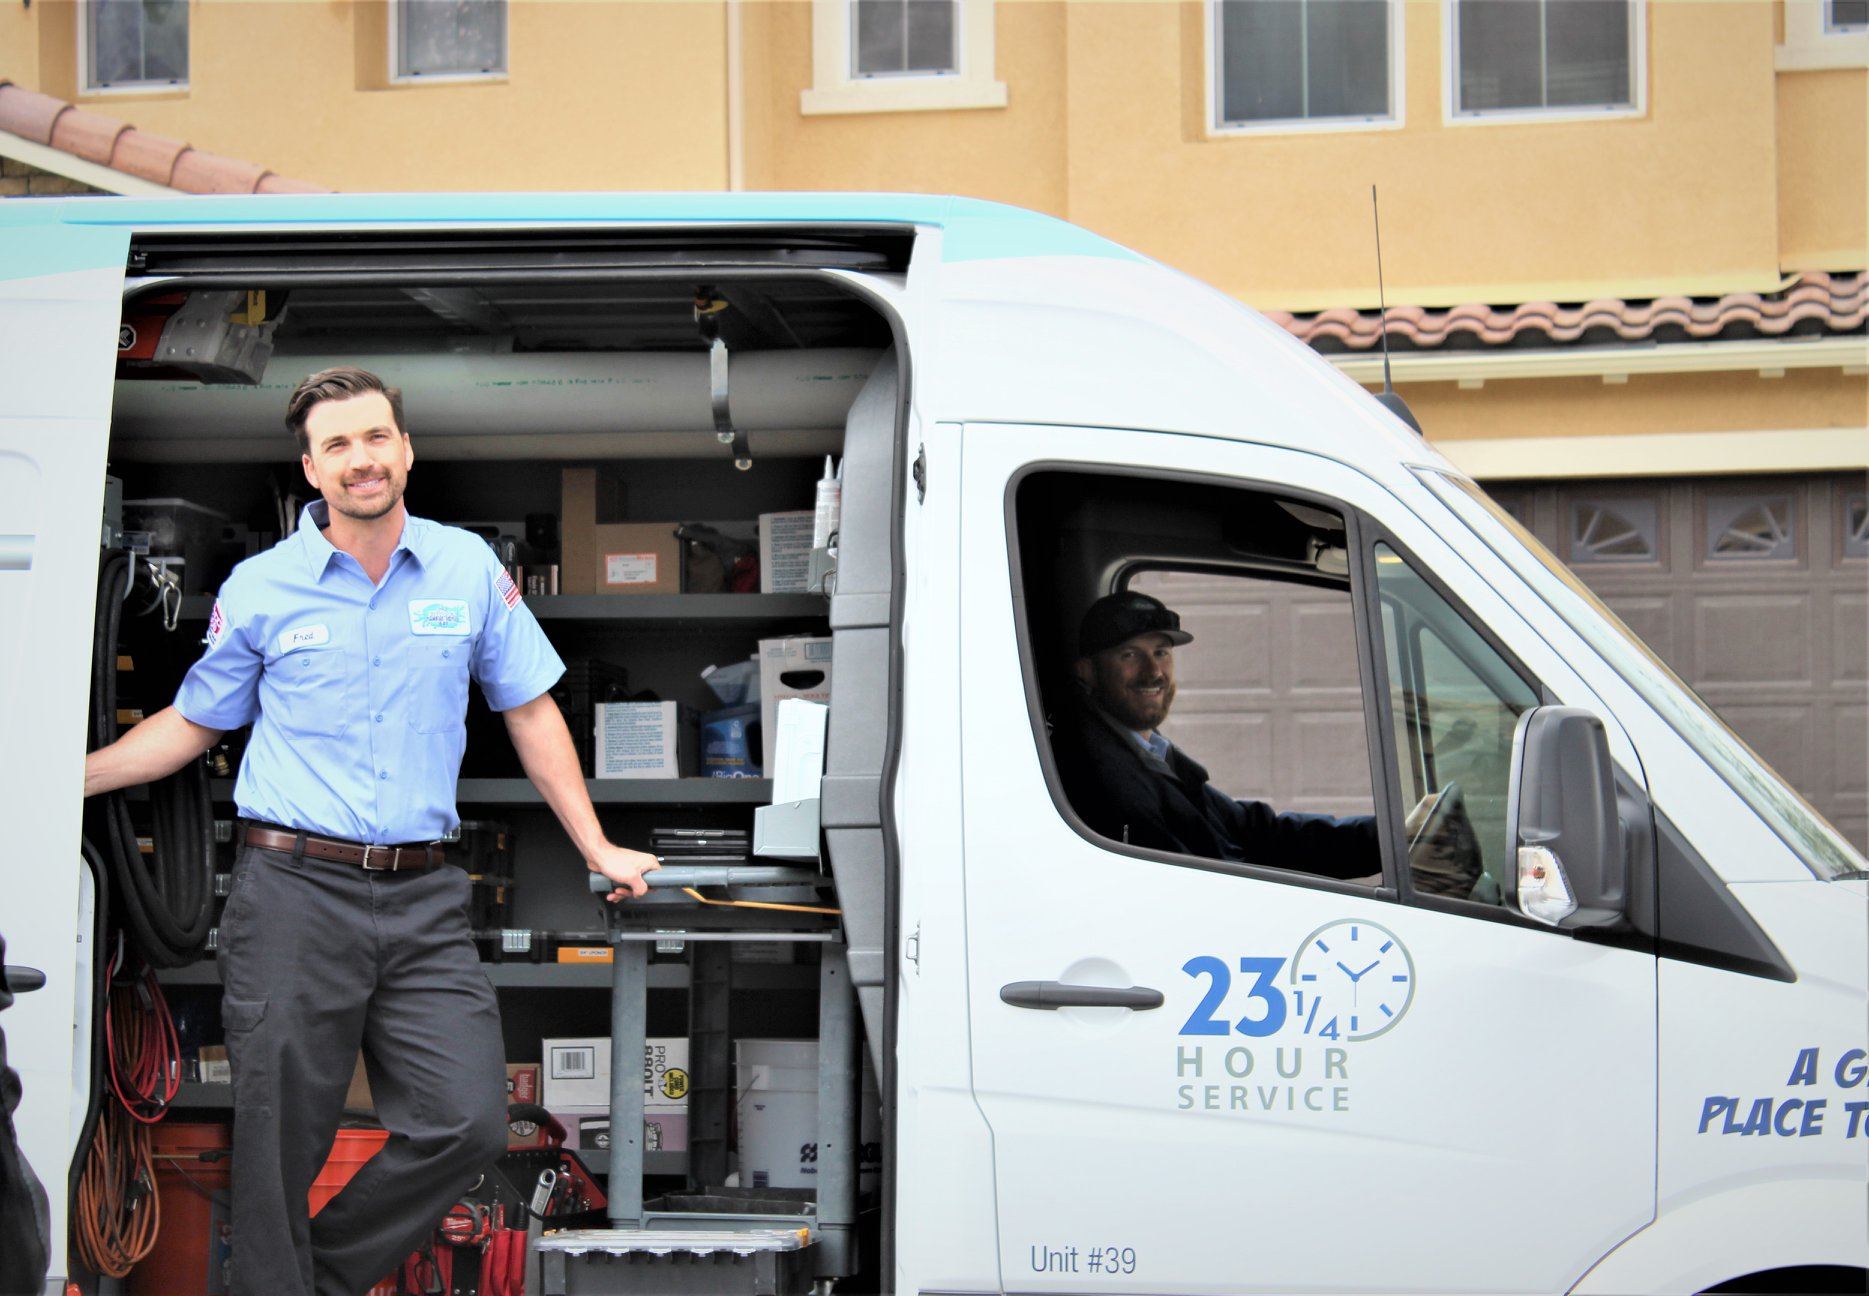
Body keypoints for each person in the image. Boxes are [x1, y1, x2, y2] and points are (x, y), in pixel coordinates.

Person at [82, 367, 659, 1296]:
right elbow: (194, 724)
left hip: (424, 893)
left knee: (467, 1120)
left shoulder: (466, 567)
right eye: (339, 445)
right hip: (293, 891)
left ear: (406, 450)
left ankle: (315, 1279)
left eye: (377, 437)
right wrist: (59, 783)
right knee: (281, 1136)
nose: (363, 460)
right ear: (310, 468)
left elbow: (530, 710)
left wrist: (597, 846)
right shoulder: (263, 585)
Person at [1050, 590, 1382, 878]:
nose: (1153, 672)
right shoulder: (1097, 773)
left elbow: (1259, 833)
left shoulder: (1150, 752)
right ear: (1088, 672)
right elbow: (1201, 883)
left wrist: (1388, 838)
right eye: (1130, 655)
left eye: (1161, 653)